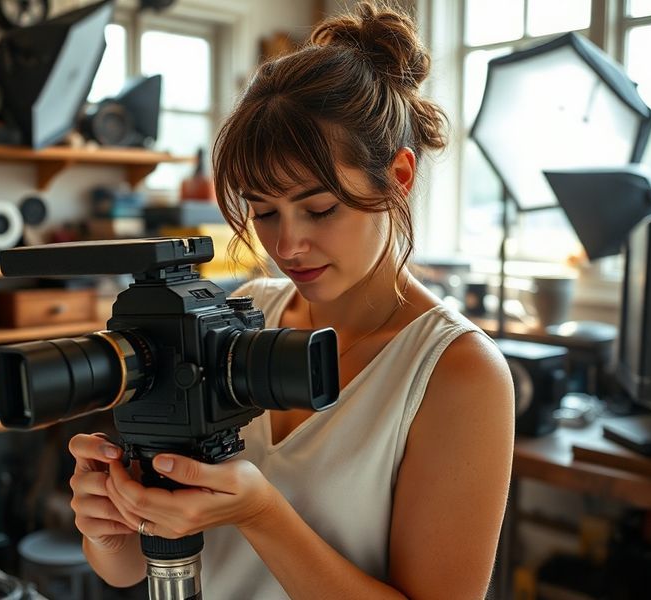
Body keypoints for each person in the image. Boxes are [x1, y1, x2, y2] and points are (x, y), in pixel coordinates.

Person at [68, 2, 515, 598]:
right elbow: (129, 569)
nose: (287, 243)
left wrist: (262, 515)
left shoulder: (458, 374)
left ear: (399, 178)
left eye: (320, 208)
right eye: (263, 211)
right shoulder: (242, 313)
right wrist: (108, 523)